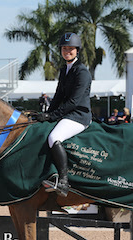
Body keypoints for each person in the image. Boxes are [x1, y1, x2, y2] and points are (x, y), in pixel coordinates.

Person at [32, 32, 92, 197]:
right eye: (65, 48)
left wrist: (51, 117)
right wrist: (45, 115)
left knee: (54, 138)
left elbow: (73, 102)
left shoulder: (82, 72)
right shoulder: (65, 70)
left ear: (77, 50)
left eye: (70, 49)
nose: (67, 51)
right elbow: (58, 96)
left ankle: (64, 182)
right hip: (67, 114)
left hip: (79, 116)